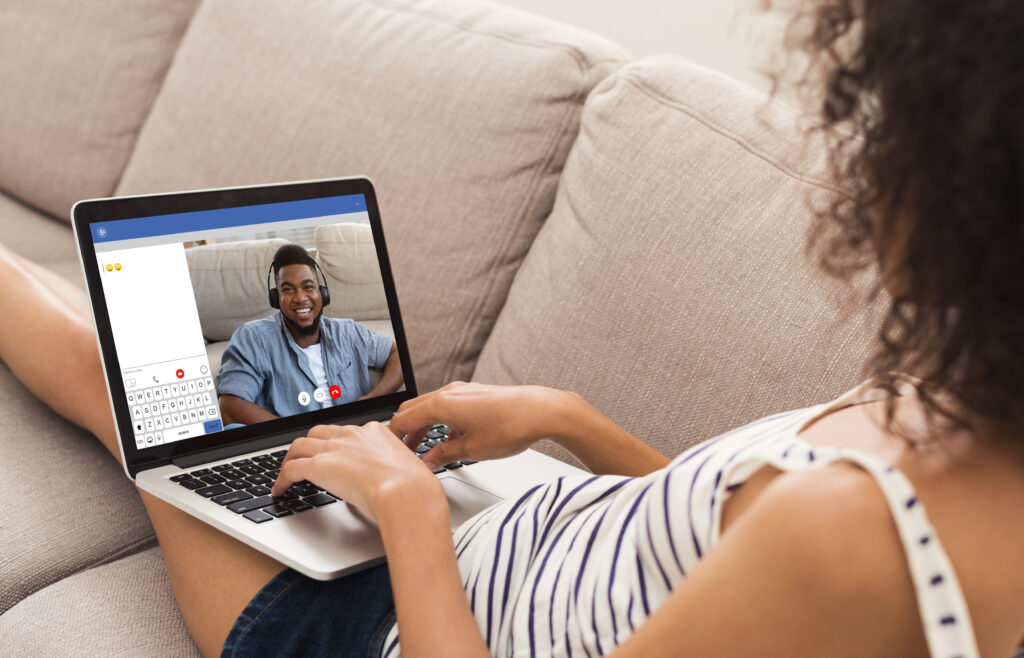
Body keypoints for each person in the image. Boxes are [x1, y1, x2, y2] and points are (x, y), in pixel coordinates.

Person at [1, 1, 1022, 656]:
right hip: (486, 539)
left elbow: (796, 553)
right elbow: (723, 552)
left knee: (130, 392)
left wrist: (409, 519)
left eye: (890, 129)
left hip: (382, 625)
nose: (862, 164)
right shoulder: (953, 405)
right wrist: (567, 419)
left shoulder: (853, 535)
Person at [216, 243, 403, 425]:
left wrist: (373, 399)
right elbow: (229, 406)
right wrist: (291, 436)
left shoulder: (348, 331)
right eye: (287, 290)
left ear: (322, 293)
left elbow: (398, 355)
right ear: (276, 298)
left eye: (308, 287)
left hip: (358, 436)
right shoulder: (254, 338)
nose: (300, 298)